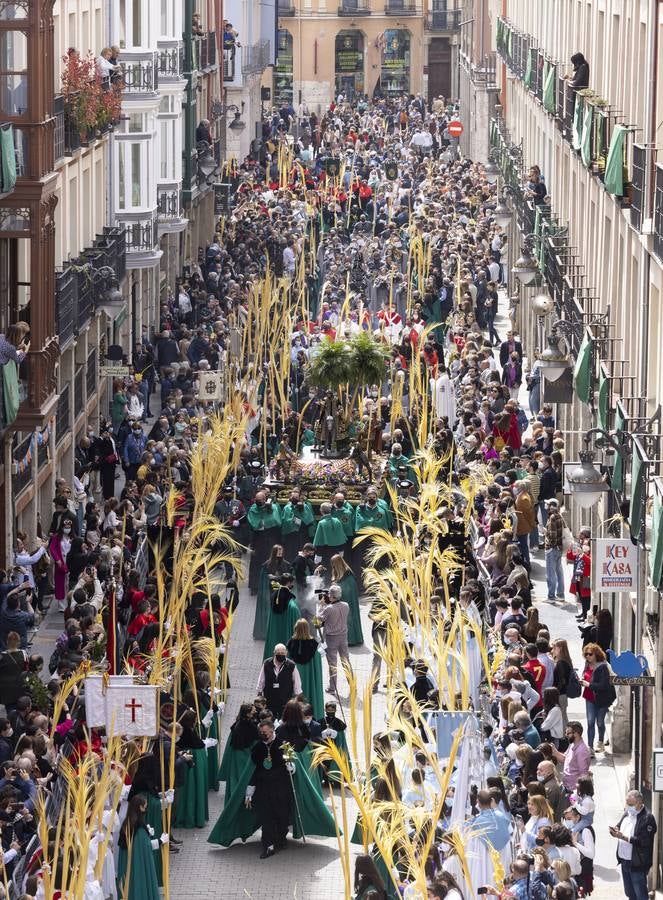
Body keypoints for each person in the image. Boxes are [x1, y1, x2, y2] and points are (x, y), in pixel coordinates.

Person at [611, 790, 657, 900]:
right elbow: (619, 825)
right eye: (627, 803)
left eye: (631, 804)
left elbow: (645, 841)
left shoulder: (647, 818)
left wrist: (624, 837)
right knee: (630, 893)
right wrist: (615, 830)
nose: (628, 806)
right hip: (624, 860)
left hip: (637, 863)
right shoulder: (627, 813)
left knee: (640, 894)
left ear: (639, 803)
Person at [117, 794, 162, 900]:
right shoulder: (139, 828)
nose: (145, 809)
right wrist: (160, 841)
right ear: (139, 807)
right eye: (144, 807)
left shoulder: (127, 823)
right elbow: (146, 848)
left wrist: (148, 834)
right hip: (138, 866)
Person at [581, 642, 616, 754]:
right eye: (586, 654)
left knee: (600, 722)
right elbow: (586, 677)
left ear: (596, 654)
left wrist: (588, 685)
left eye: (590, 654)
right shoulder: (587, 665)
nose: (587, 656)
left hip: (602, 699)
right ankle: (590, 747)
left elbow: (603, 685)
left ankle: (600, 742)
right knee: (590, 722)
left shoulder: (603, 667)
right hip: (589, 698)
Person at [287, 618, 324, 720]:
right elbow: (317, 665)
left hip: (296, 673)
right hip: (309, 676)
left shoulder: (291, 643)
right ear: (307, 629)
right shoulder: (314, 644)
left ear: (296, 628)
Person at [318, 583, 351, 695]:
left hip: (331, 639)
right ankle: (352, 684)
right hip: (343, 637)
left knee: (332, 664)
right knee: (346, 661)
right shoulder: (346, 605)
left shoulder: (328, 609)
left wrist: (321, 605)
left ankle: (332, 687)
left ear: (331, 596)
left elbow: (318, 620)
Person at [256, 644, 302, 719]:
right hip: (269, 699)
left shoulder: (291, 665)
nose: (280, 655)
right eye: (278, 653)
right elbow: (261, 680)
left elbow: (297, 683)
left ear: (286, 653)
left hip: (285, 700)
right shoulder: (267, 663)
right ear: (274, 653)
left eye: (282, 653)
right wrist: (259, 693)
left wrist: (296, 698)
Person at [330, 553, 363, 646]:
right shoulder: (339, 572)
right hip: (344, 601)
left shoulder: (348, 575)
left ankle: (352, 640)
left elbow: (347, 589)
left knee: (350, 618)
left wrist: (336, 587)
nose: (332, 566)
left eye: (333, 564)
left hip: (349, 601)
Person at [553, 721, 591, 791]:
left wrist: (578, 794)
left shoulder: (581, 751)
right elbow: (564, 759)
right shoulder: (572, 744)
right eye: (565, 733)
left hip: (573, 790)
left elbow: (584, 775)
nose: (566, 735)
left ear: (576, 733)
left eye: (568, 733)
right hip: (566, 786)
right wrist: (554, 751)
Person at [544, 499, 565, 601]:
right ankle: (560, 594)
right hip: (559, 548)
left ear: (551, 506)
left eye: (547, 504)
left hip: (552, 549)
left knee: (551, 573)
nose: (546, 505)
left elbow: (553, 535)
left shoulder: (552, 517)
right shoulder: (559, 516)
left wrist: (550, 546)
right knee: (558, 571)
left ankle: (551, 596)